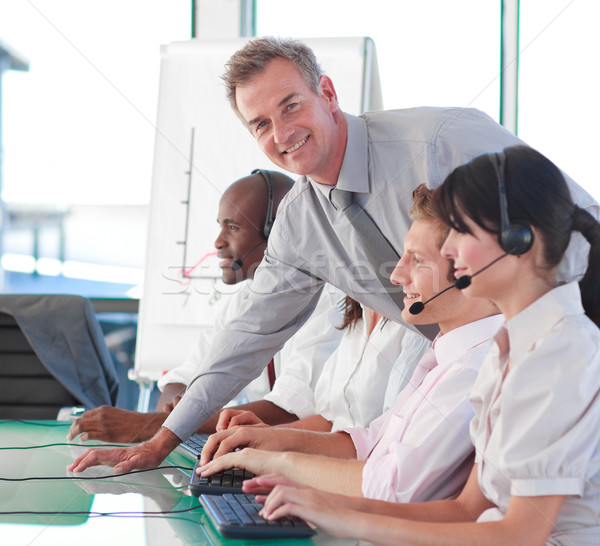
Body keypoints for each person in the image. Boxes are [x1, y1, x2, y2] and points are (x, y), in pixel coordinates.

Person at [68, 37, 598, 474]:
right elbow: (244, 341)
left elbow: (569, 218)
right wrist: (161, 441)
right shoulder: (301, 223)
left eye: (291, 106)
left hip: (563, 353)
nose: (282, 134)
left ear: (326, 92)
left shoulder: (438, 141)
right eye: (260, 125)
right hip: (465, 382)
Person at [246, 146, 600, 545]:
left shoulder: (559, 353)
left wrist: (342, 517)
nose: (449, 251)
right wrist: (318, 502)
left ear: (519, 241)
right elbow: (466, 510)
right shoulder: (510, 348)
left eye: (462, 232)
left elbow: (520, 535)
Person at [196, 185, 502, 504]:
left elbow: (389, 487)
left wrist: (279, 463)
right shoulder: (442, 354)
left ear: (469, 273)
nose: (396, 275)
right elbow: (370, 441)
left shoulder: (474, 368)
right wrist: (271, 440)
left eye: (417, 259)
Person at [67, 170, 344, 443]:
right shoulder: (244, 302)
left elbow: (289, 409)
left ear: (278, 232)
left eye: (233, 227)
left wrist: (155, 425)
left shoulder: (328, 300)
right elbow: (187, 376)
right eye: (220, 226)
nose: (218, 242)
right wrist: (174, 411)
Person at [217, 295, 430, 433]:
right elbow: (330, 420)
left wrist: (277, 446)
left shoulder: (414, 328)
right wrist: (265, 435)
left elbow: (380, 445)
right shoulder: (356, 315)